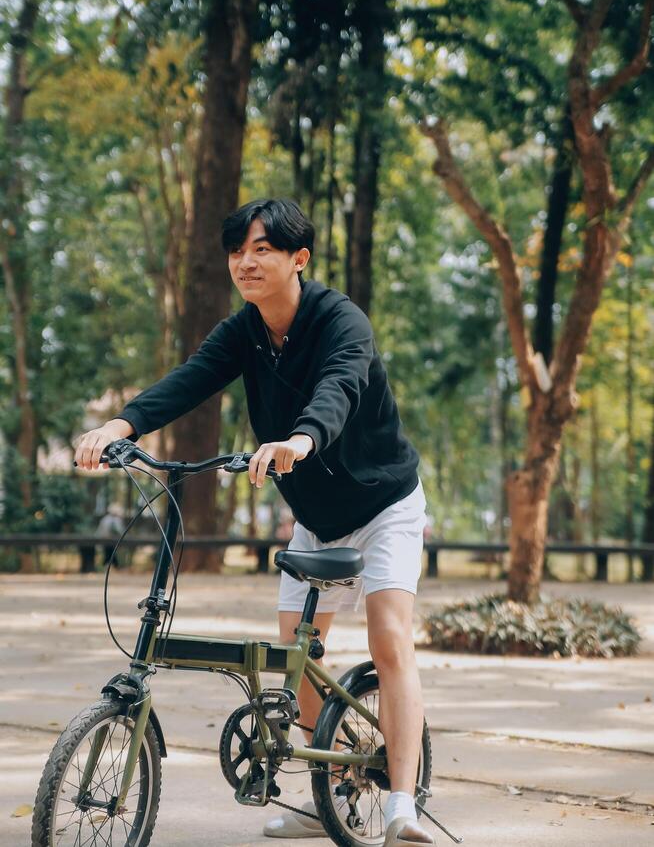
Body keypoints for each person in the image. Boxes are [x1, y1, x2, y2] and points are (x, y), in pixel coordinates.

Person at [74, 199, 433, 846]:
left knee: (388, 635)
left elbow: (339, 387)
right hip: (315, 519)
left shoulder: (340, 321)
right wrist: (119, 427)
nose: (246, 261)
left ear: (300, 259)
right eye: (237, 250)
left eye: (262, 248)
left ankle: (402, 802)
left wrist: (300, 439)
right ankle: (332, 789)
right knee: (293, 664)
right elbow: (187, 381)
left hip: (385, 506)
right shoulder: (242, 332)